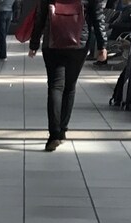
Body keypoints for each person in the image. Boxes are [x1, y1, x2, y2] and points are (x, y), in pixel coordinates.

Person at [30, 0, 109, 149]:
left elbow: (41, 16)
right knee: (70, 86)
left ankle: (54, 134)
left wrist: (34, 43)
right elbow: (98, 17)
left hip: (53, 42)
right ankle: (62, 130)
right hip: (78, 43)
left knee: (55, 86)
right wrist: (102, 45)